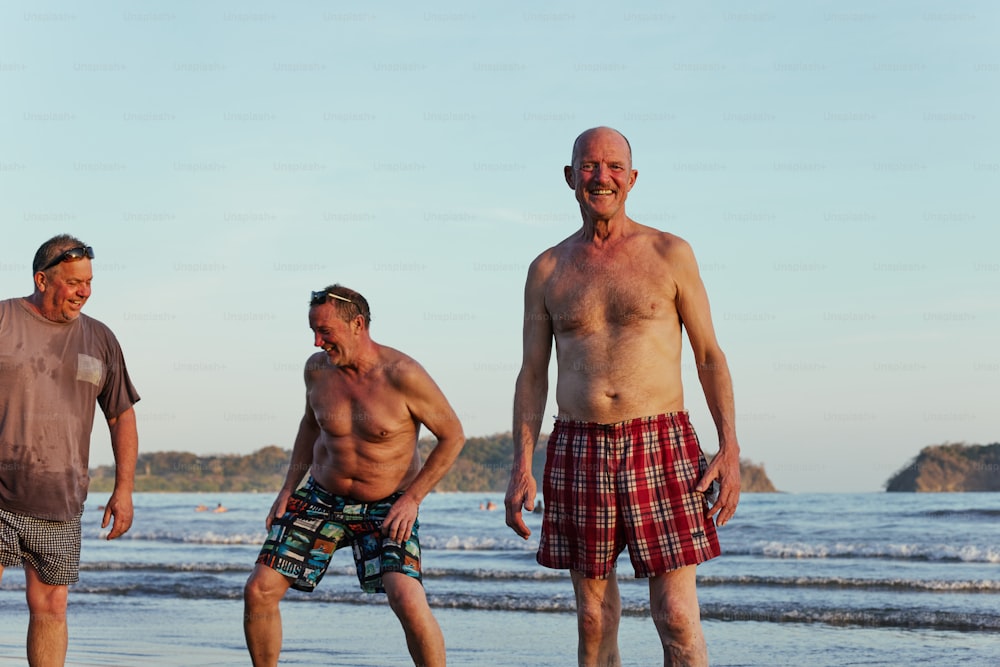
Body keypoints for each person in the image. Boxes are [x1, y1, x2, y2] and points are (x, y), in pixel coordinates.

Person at [504, 127, 741, 667]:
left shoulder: (670, 253)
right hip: (577, 445)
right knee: (593, 619)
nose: (601, 177)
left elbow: (709, 355)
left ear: (632, 179)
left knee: (677, 615)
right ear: (570, 178)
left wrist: (729, 448)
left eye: (614, 166)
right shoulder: (547, 269)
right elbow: (532, 375)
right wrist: (521, 464)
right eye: (588, 166)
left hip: (660, 440)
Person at [243, 284, 465, 667]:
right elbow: (309, 426)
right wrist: (286, 490)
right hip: (321, 496)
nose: (317, 341)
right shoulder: (316, 370)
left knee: (407, 599)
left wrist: (412, 499)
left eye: (325, 331)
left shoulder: (403, 374)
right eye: (313, 330)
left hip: (388, 504)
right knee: (259, 590)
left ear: (357, 324)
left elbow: (453, 436)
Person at [0, 234, 140, 666]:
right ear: (42, 280)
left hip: (60, 498)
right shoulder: (3, 320)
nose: (85, 291)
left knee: (51, 608)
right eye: (75, 282)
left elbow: (121, 416)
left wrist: (124, 489)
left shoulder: (100, 338)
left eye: (89, 281)